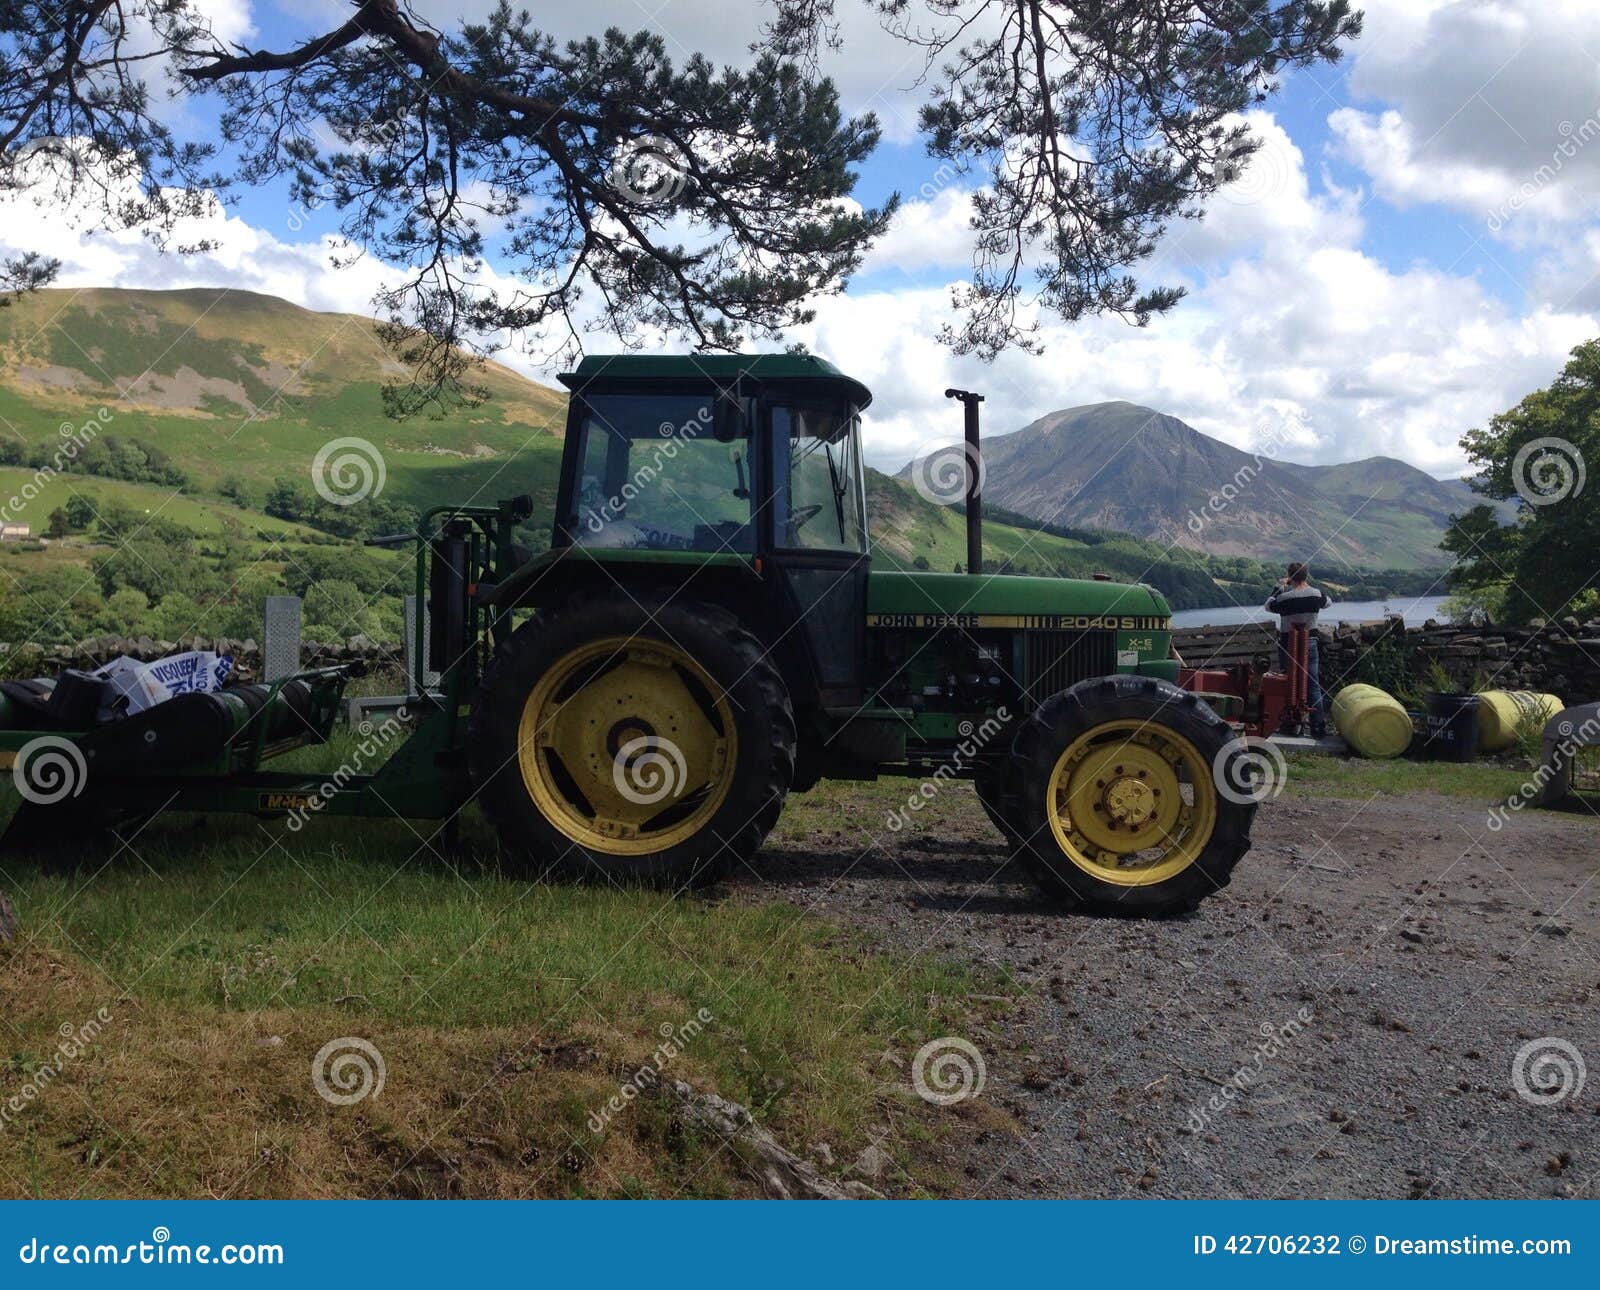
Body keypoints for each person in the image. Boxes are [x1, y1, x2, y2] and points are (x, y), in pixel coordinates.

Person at [1265, 562, 1329, 737]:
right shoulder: (1315, 594)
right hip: (1311, 641)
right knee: (1313, 685)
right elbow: (1328, 602)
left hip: (1288, 644)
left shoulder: (1285, 598)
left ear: (1290, 577)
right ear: (1306, 576)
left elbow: (1268, 605)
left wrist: (1280, 586)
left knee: (1288, 683)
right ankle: (1318, 728)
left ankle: (1289, 724)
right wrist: (1309, 587)